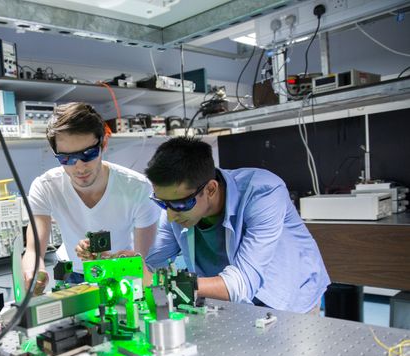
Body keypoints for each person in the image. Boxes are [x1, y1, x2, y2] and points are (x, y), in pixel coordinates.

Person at [144, 137, 330, 313]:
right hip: (231, 300)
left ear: (210, 189)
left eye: (179, 205)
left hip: (289, 300)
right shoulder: (176, 204)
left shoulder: (262, 193)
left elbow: (242, 282)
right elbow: (153, 266)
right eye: (162, 203)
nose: (169, 216)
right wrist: (133, 267)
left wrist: (164, 283)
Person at [22, 102, 160, 294]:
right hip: (73, 275)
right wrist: (34, 271)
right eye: (66, 159)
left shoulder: (137, 188)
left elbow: (143, 259)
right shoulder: (45, 187)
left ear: (103, 144)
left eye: (88, 154)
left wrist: (116, 262)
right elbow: (33, 251)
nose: (79, 167)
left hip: (122, 273)